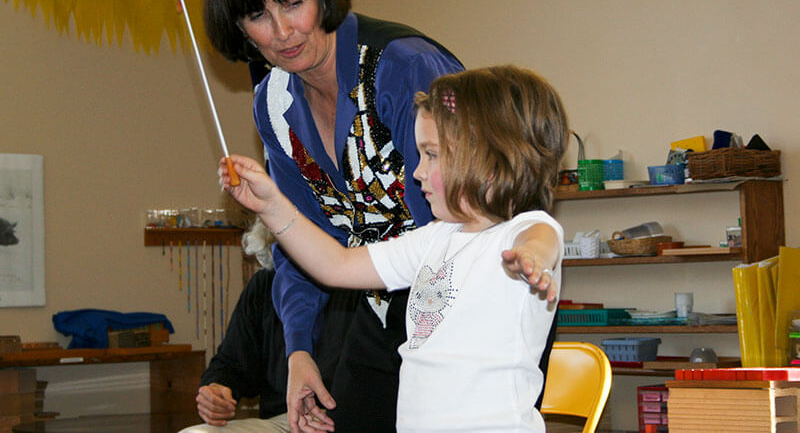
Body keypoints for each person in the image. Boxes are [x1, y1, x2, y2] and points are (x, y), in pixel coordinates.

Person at [203, 0, 464, 432]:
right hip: (380, 313)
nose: (282, 32)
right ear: (239, 28)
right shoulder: (273, 105)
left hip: (465, 306)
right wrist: (299, 351)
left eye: (294, 4)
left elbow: (459, 227)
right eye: (258, 16)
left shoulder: (402, 67)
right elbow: (301, 237)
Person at [219, 64, 570, 432]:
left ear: (492, 161)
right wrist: (273, 207)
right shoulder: (436, 238)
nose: (416, 172)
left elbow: (540, 243)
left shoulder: (525, 231)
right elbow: (336, 265)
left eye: (431, 155)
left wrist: (532, 260)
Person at [180, 221, 360, 433]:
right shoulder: (264, 285)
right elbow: (233, 363)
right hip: (282, 420)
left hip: (346, 418)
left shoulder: (361, 283)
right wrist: (217, 388)